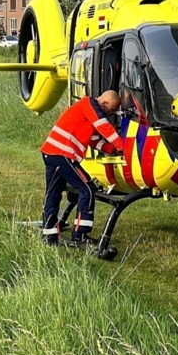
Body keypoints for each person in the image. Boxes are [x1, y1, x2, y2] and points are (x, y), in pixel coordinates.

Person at [40, 90, 124, 246]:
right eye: (112, 110)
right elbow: (103, 126)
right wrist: (121, 146)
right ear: (104, 103)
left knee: (53, 194)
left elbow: (92, 140)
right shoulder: (89, 104)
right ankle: (80, 235)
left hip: (51, 154)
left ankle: (49, 236)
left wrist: (109, 149)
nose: (111, 114)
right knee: (88, 189)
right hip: (62, 155)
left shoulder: (85, 111)